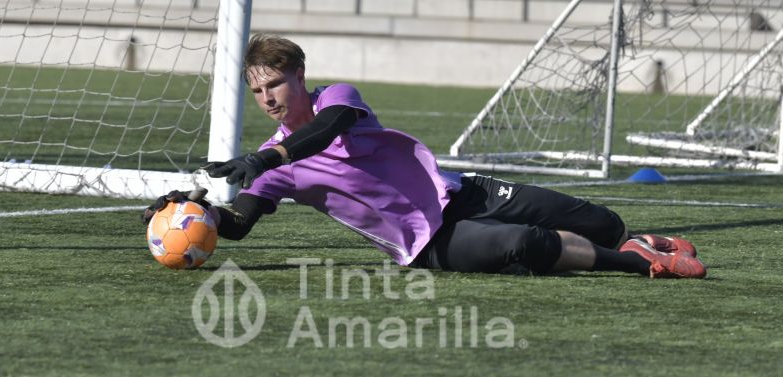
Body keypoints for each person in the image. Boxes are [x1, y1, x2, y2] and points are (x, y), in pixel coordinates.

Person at [143, 34, 706, 279]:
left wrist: (266, 161)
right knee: (525, 246)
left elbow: (328, 130)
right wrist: (197, 214)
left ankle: (630, 238)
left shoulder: (335, 99)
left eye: (277, 84)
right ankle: (643, 263)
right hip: (427, 242)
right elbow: (241, 225)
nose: (268, 98)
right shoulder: (271, 161)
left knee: (602, 221)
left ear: (299, 77)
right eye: (258, 90)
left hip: (459, 192)